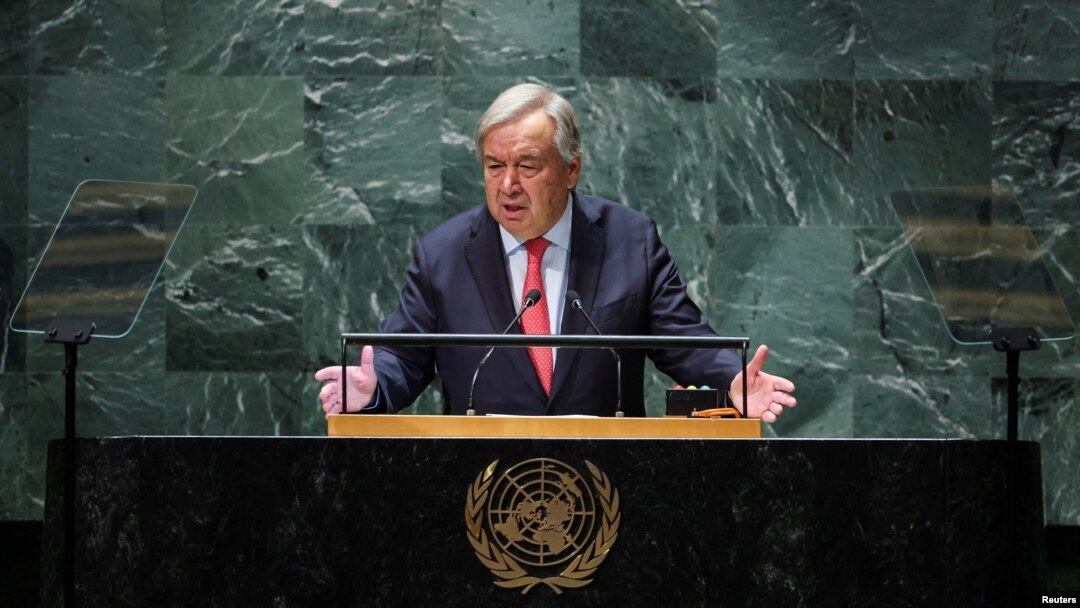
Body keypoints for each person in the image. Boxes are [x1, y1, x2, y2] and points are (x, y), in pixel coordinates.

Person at [316, 83, 796, 421]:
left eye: (527, 165)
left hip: (609, 483)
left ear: (571, 170)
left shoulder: (631, 241)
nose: (507, 184)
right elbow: (403, 356)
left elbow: (685, 342)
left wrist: (734, 381)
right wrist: (372, 387)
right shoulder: (441, 255)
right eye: (493, 165)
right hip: (480, 485)